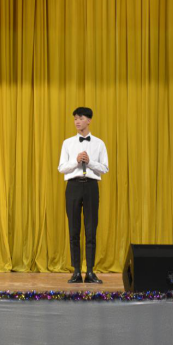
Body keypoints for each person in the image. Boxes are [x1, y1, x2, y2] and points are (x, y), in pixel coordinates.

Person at [58, 107, 109, 284]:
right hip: (73, 186)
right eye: (75, 119)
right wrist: (76, 161)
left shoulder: (99, 144)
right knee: (74, 230)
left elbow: (105, 168)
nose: (77, 122)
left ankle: (90, 272)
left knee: (90, 230)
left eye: (80, 118)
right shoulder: (67, 143)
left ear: (89, 120)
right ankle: (76, 272)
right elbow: (61, 168)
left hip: (91, 186)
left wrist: (90, 162)